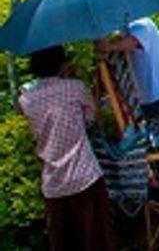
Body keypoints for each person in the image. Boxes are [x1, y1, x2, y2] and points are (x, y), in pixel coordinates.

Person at [18, 46, 117, 251]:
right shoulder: (75, 88)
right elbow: (91, 118)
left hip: (54, 184)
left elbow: (24, 108)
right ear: (61, 63)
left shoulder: (26, 99)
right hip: (85, 176)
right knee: (97, 240)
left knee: (65, 243)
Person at [99, 17, 159, 201]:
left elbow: (133, 42)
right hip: (153, 95)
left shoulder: (142, 25)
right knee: (158, 145)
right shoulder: (128, 28)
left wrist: (108, 47)